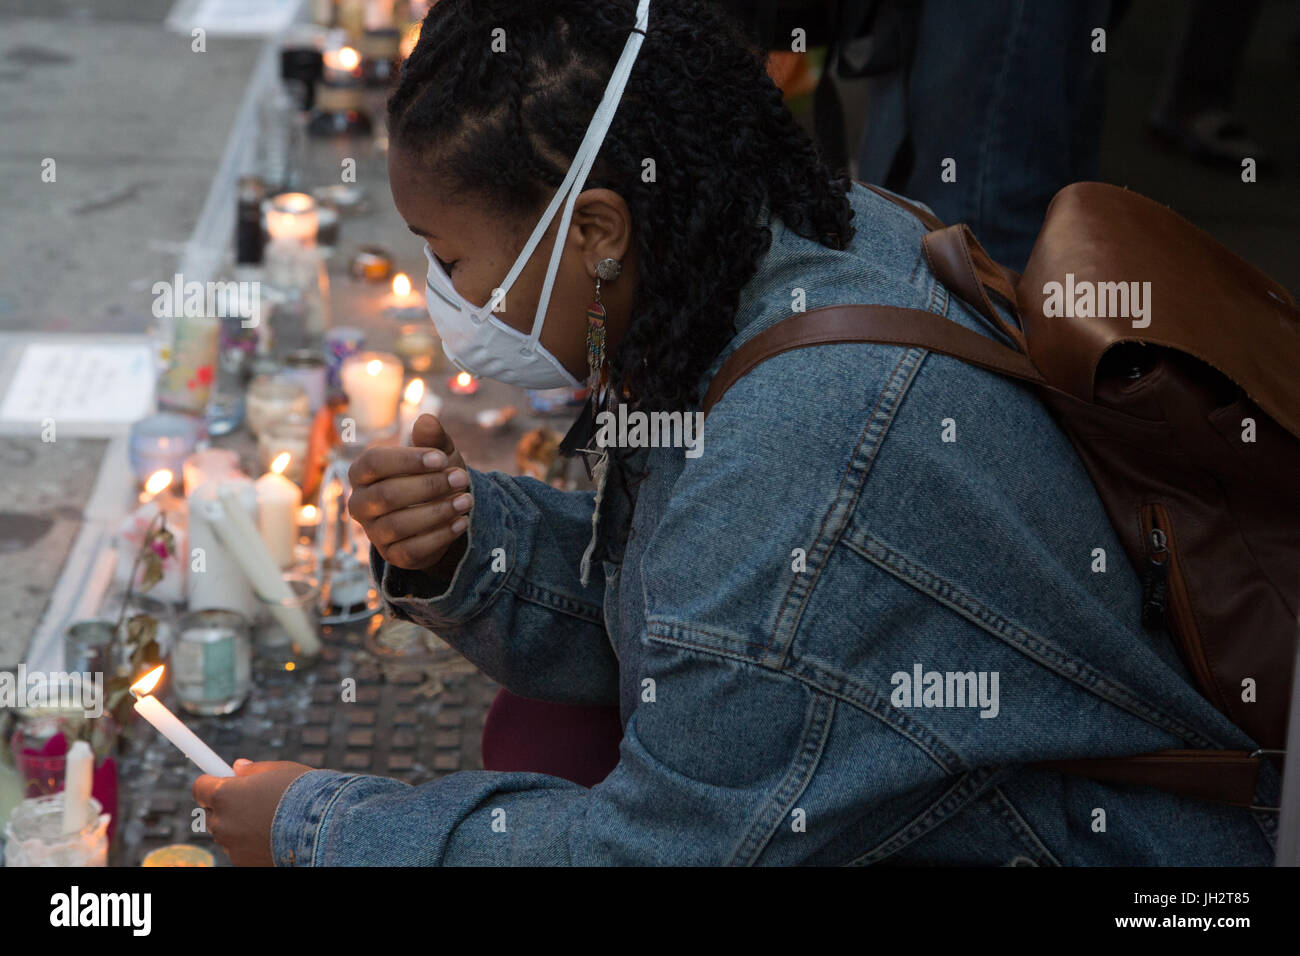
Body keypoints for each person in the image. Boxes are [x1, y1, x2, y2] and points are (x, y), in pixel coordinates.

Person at [194, 0, 1278, 866]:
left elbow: (658, 851)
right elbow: (679, 610)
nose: (444, 294)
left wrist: (321, 829)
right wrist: (471, 545)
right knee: (539, 729)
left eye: (452, 256)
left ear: (598, 229)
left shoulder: (795, 452)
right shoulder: (783, 243)